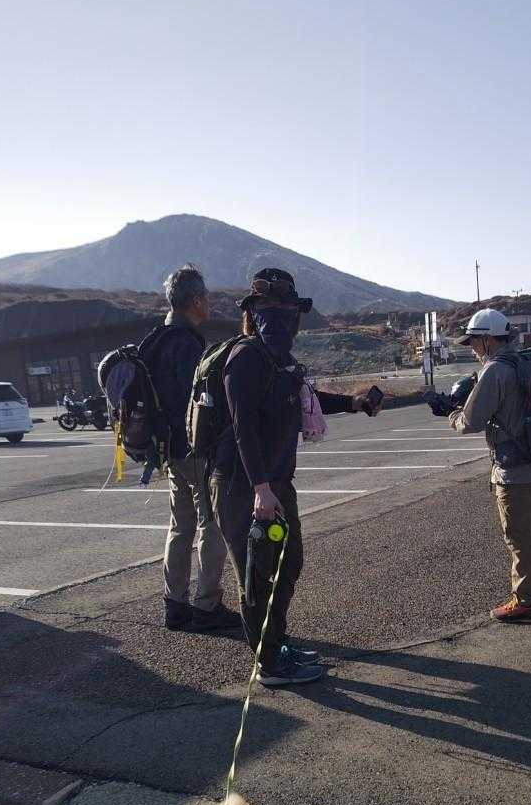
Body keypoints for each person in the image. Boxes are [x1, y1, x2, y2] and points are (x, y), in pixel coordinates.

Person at [216, 267, 383, 687]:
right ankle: (269, 663)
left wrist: (354, 402)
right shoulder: (244, 359)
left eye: (286, 309)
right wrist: (260, 489)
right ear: (253, 313)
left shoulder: (282, 362)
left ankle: (278, 643)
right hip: (244, 486)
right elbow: (242, 428)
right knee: (257, 577)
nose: (279, 317)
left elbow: (305, 399)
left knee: (288, 565)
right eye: (268, 308)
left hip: (276, 483)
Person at [447, 308, 531, 623]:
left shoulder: (495, 371)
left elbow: (471, 421)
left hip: (515, 471)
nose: (472, 348)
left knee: (519, 537)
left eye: (473, 342)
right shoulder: (524, 364)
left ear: (487, 340)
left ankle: (525, 603)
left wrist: (451, 415)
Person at [149, 265, 237, 633]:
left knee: (179, 527)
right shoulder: (187, 344)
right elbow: (200, 401)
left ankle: (175, 605)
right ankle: (207, 605)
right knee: (211, 524)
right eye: (207, 297)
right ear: (197, 301)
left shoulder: (155, 340)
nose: (210, 303)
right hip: (196, 450)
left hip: (169, 450)